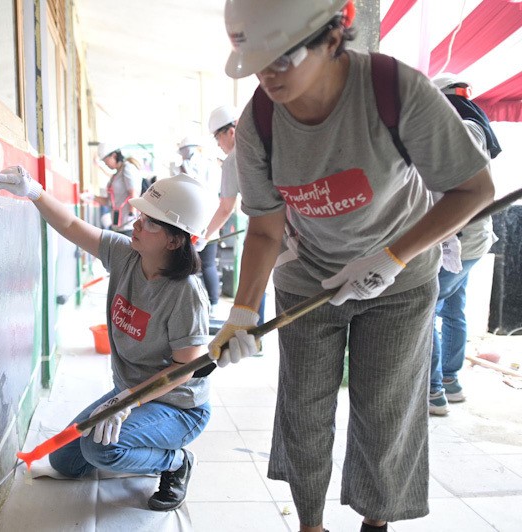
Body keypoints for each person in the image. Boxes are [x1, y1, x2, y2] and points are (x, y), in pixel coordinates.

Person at [208, 2, 494, 532]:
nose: (269, 75)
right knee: (304, 411)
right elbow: (267, 228)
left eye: (284, 57)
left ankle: (376, 524)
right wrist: (243, 311)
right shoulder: (259, 122)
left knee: (385, 413)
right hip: (307, 278)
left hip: (400, 279)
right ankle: (310, 525)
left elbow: (474, 189)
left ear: (333, 36)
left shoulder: (394, 91)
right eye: (256, 61)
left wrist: (392, 256)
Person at [0, 167, 214, 511]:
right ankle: (137, 446)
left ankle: (175, 461)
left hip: (177, 406)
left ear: (175, 239)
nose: (137, 224)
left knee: (100, 449)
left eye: (151, 222)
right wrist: (33, 191)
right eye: (140, 216)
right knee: (66, 461)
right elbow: (70, 226)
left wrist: (129, 403)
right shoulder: (127, 254)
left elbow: (185, 369)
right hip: (129, 390)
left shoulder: (186, 294)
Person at [428, 74, 502, 416]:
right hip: (473, 239)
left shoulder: (457, 127)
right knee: (454, 309)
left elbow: (447, 189)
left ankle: (434, 390)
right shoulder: (476, 122)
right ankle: (452, 382)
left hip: (454, 240)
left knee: (425, 312)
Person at [205, 105, 266, 324]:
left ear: (230, 132)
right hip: (291, 228)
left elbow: (225, 209)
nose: (219, 145)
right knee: (264, 281)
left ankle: (253, 334)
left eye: (217, 138)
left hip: (262, 231)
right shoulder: (265, 146)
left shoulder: (233, 160)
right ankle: (257, 333)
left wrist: (204, 236)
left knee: (254, 280)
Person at [177, 136, 222, 315]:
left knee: (198, 266)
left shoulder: (189, 166)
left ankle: (206, 304)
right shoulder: (211, 165)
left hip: (197, 222)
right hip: (208, 221)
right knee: (206, 265)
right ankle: (210, 304)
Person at [95, 143, 141, 237]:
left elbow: (133, 193)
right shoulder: (116, 174)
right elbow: (109, 201)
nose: (105, 164)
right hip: (117, 226)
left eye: (105, 160)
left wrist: (131, 214)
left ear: (114, 155)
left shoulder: (128, 168)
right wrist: (92, 197)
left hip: (128, 227)